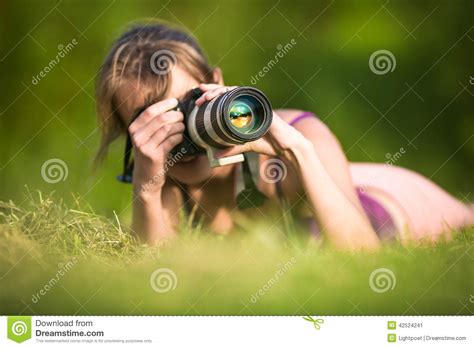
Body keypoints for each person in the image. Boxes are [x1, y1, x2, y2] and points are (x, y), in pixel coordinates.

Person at [95, 22, 473, 250]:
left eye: (186, 104)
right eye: (154, 119)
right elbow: (154, 270)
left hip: (394, 206)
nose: (180, 130)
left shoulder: (296, 134)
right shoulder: (163, 173)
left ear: (216, 85)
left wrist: (298, 150)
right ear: (132, 134)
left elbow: (363, 255)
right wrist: (146, 187)